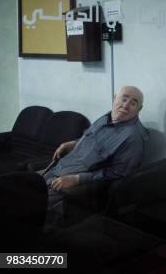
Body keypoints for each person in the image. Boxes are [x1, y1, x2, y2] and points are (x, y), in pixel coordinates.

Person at [42, 86, 146, 223]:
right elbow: (91, 139)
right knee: (16, 187)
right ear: (115, 98)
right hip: (55, 169)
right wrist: (73, 144)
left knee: (24, 207)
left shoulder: (133, 137)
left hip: (68, 186)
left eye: (133, 103)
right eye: (124, 99)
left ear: (139, 109)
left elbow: (120, 172)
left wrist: (77, 179)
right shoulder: (107, 117)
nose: (125, 105)